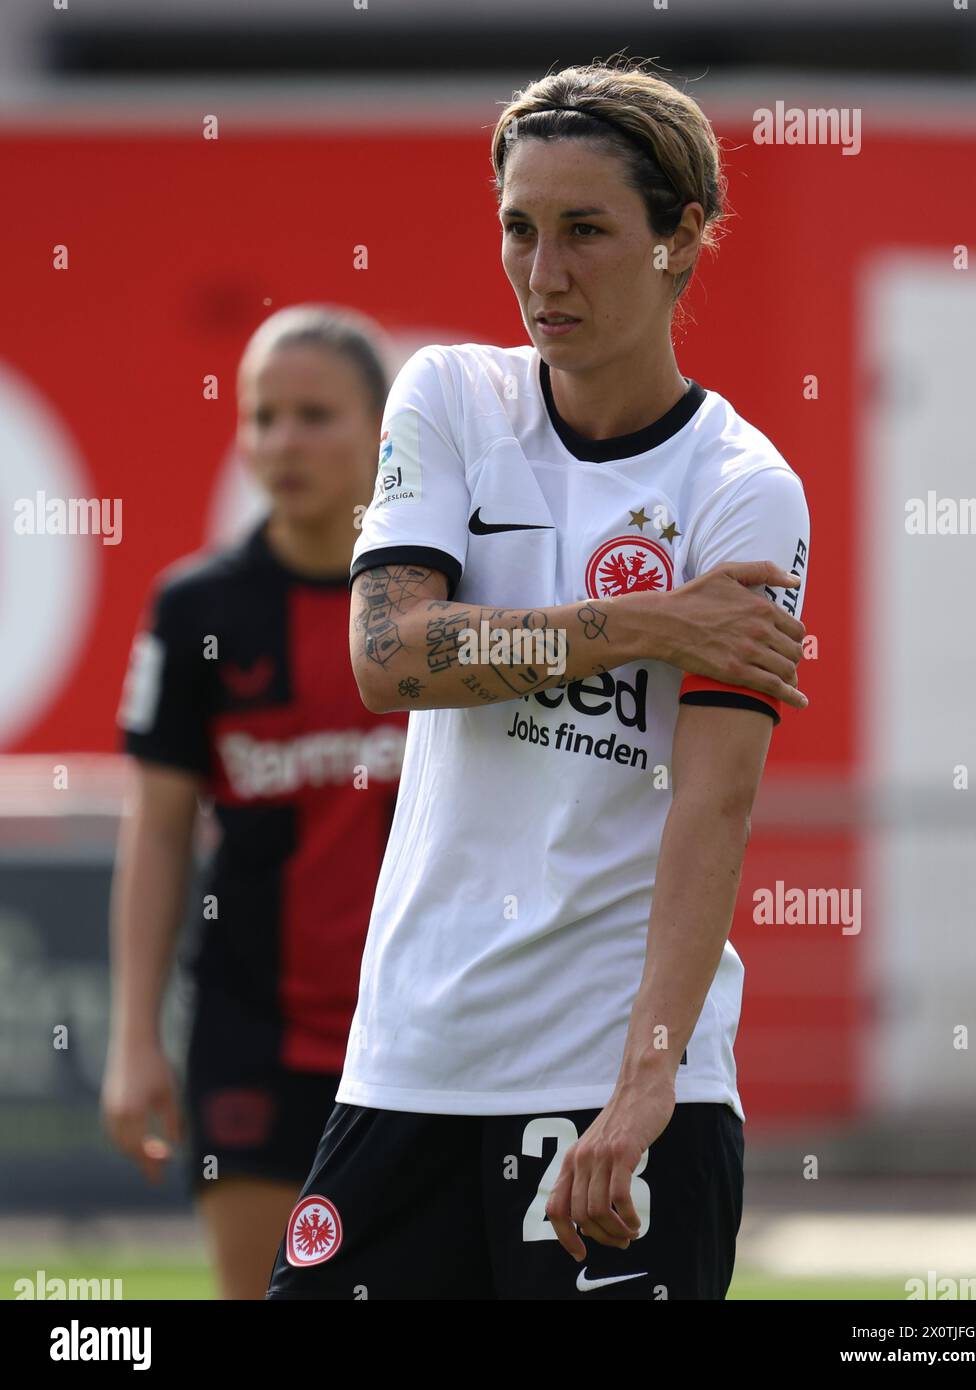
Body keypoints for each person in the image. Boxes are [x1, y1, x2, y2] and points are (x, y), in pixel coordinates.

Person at [266, 57, 810, 1301]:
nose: (541, 273)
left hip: (609, 1077)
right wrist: (645, 623)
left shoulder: (742, 489)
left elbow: (710, 808)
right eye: (518, 227)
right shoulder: (449, 397)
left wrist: (644, 1080)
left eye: (584, 232)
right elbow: (389, 653)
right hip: (414, 1057)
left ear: (681, 240)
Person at [102, 305, 406, 1299]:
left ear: (381, 430)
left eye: (314, 414)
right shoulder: (199, 609)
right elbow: (156, 828)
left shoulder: (446, 608)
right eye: (262, 416)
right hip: (252, 1030)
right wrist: (134, 1036)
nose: (283, 442)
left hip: (426, 1026)